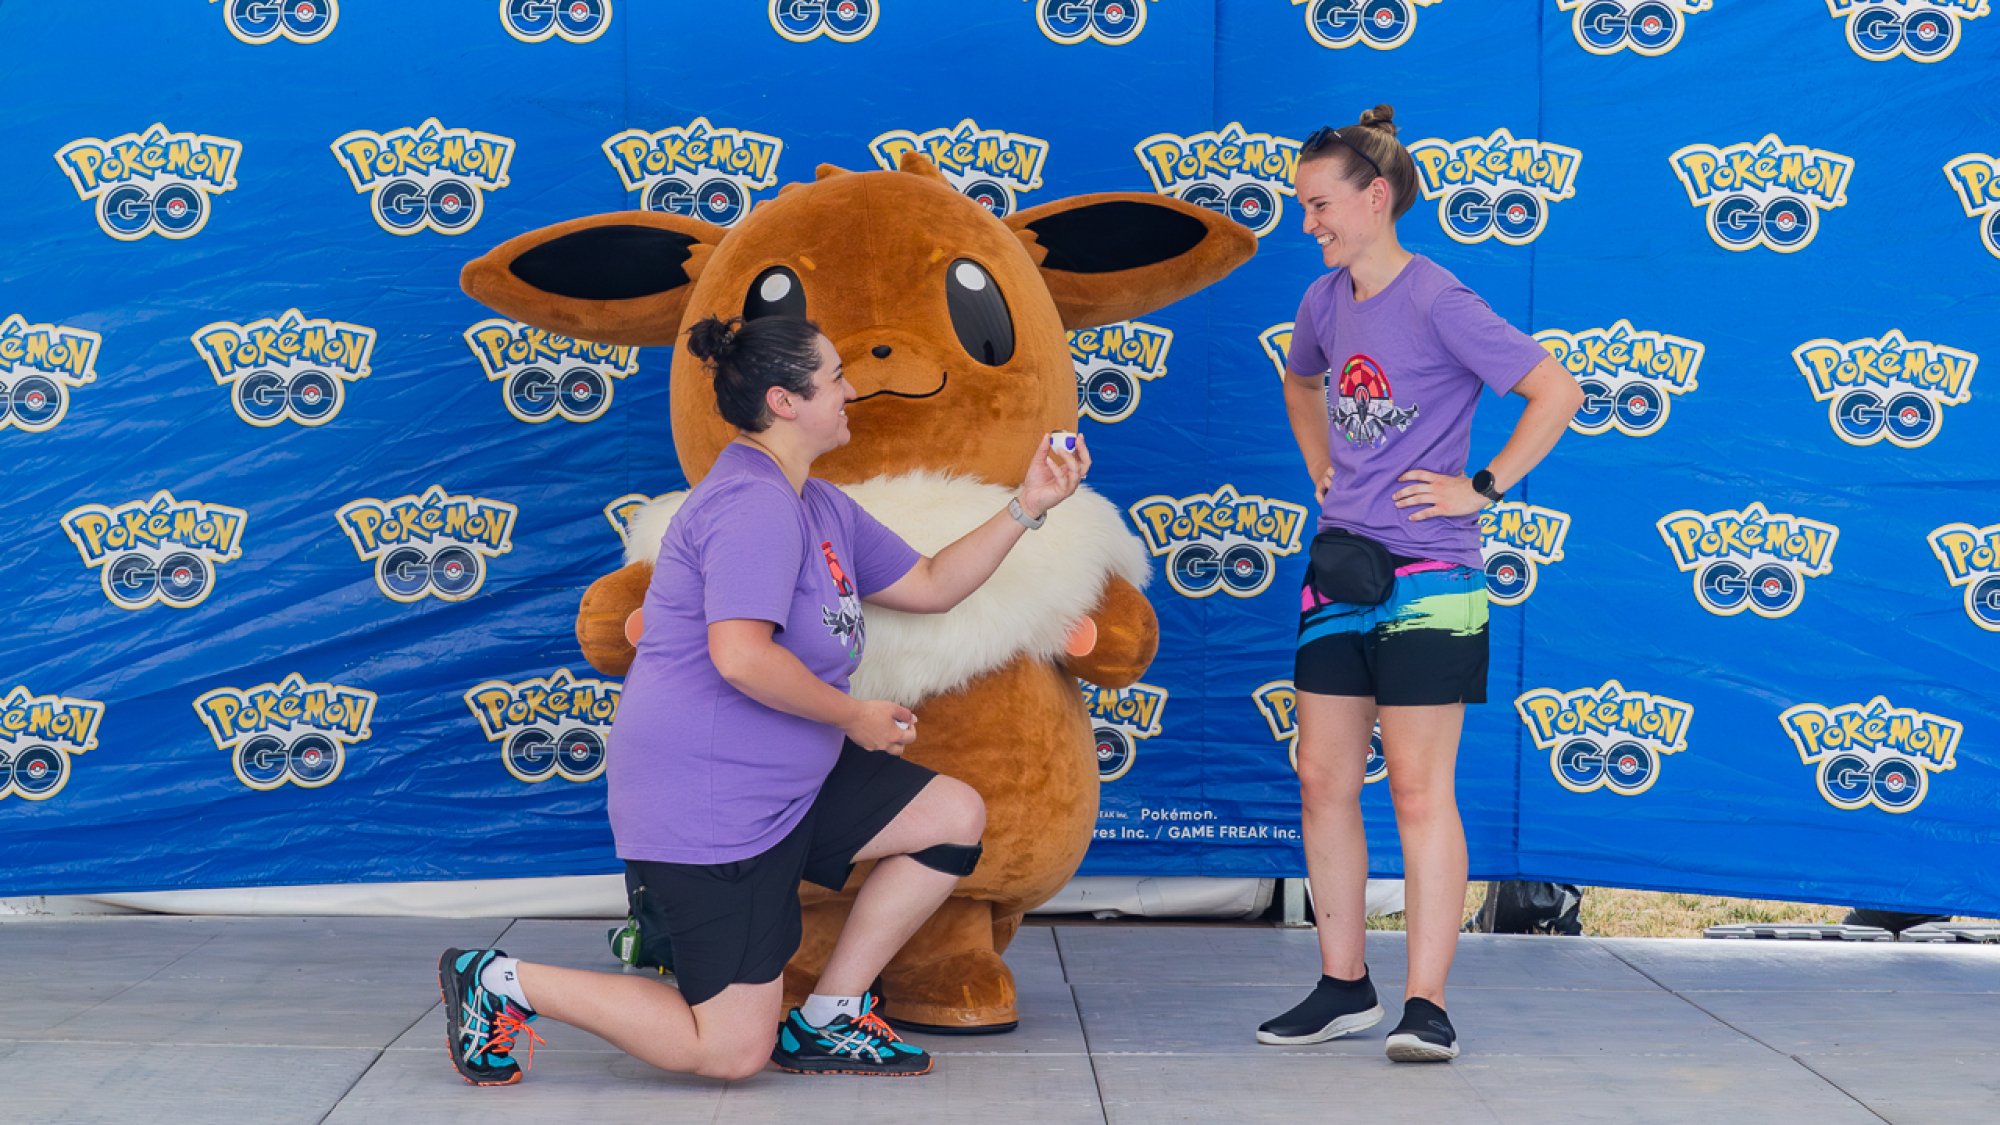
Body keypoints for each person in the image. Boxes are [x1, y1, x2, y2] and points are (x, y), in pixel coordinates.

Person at [437, 314, 1089, 1084]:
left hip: (792, 785)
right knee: (729, 1051)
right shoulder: (751, 505)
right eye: (836, 376)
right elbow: (740, 657)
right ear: (784, 401)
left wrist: (1027, 504)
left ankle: (830, 1015)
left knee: (950, 815)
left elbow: (930, 585)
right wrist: (856, 716)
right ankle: (498, 981)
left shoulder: (819, 502)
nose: (852, 390)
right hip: (709, 805)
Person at [1257, 104, 1584, 1062]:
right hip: (1340, 568)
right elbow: (1301, 384)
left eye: (1320, 205)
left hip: (1434, 576)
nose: (1308, 222)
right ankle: (1343, 982)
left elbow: (1554, 390)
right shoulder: (1321, 305)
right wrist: (1322, 465)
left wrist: (1479, 486)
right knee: (1320, 776)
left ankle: (1426, 1003)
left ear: (1377, 195)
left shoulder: (1439, 297)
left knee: (1415, 786)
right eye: (1301, 206)